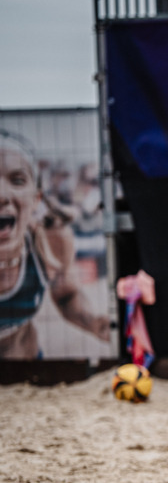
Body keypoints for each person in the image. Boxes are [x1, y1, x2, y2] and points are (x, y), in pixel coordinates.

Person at [0, 131, 111, 359]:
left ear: (35, 199)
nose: (2, 194)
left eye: (17, 180)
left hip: (28, 372)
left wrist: (94, 322)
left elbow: (66, 296)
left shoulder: (51, 240)